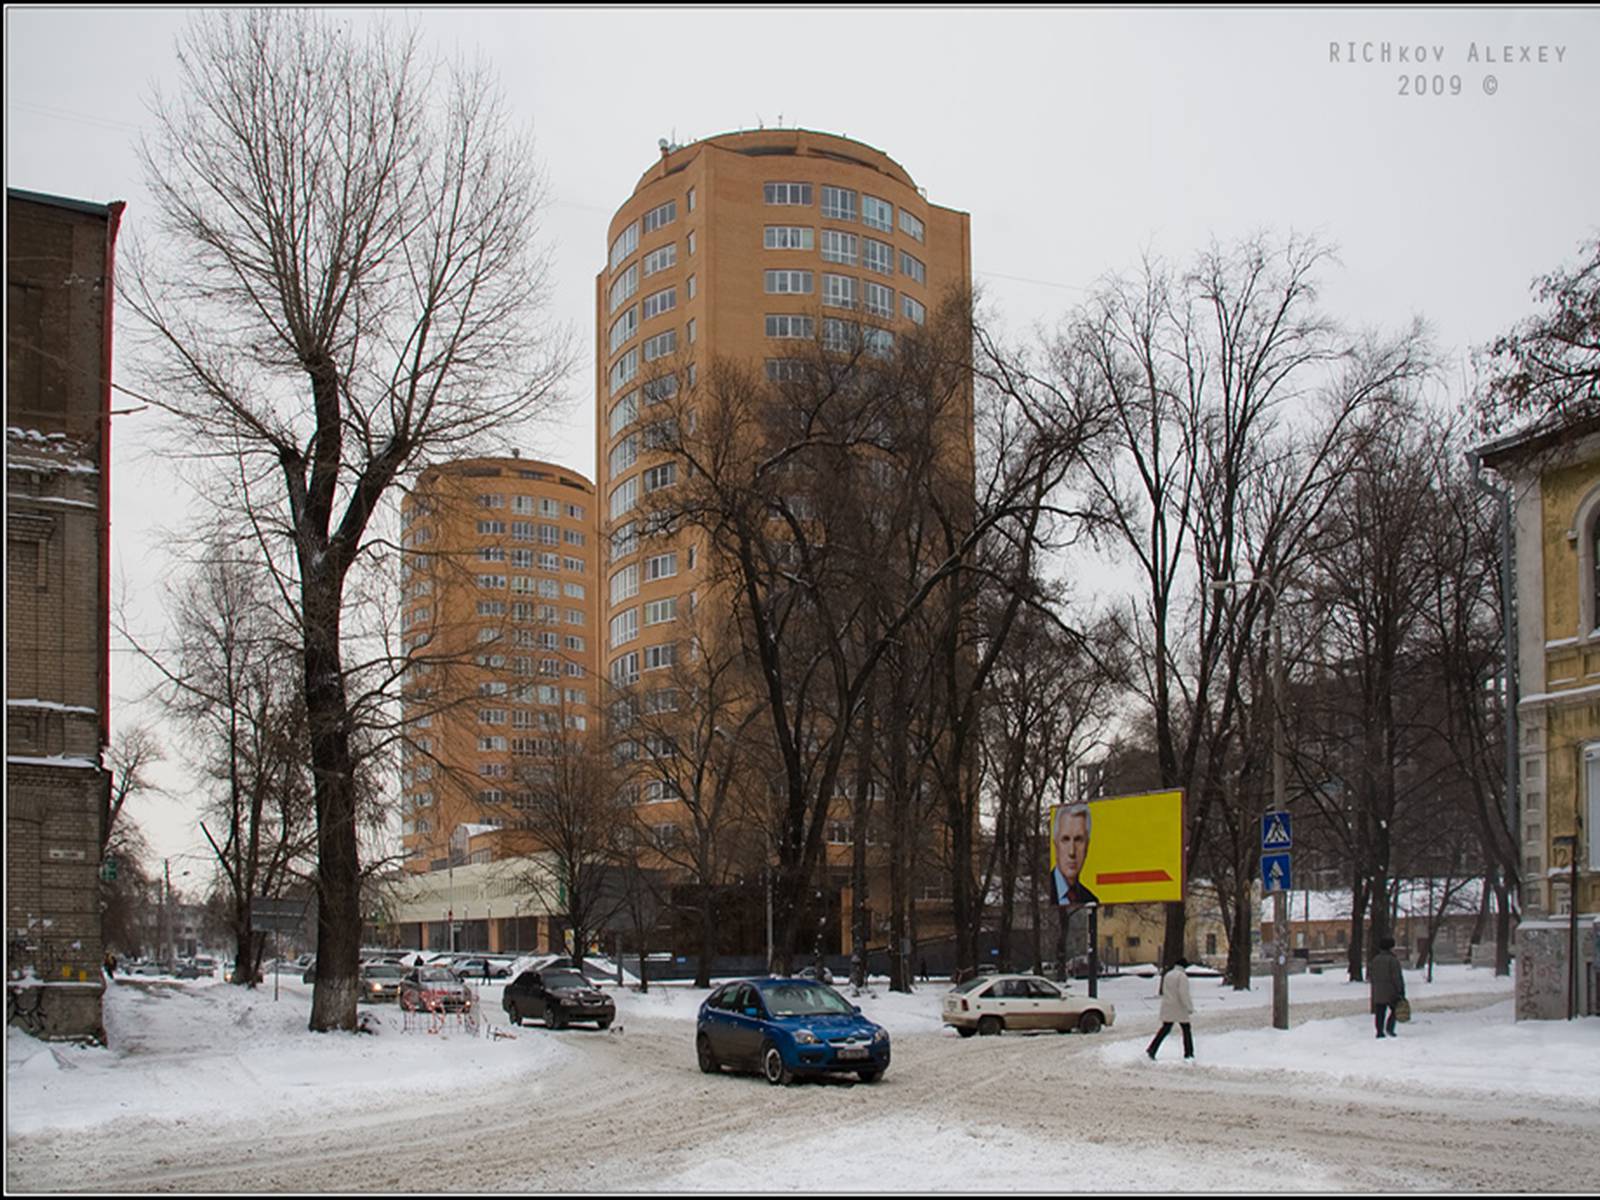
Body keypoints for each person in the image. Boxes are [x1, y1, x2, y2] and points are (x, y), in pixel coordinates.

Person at [1146, 956, 1195, 1061]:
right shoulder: (1182, 977)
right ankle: (1189, 1053)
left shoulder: (1168, 974)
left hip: (1168, 1005)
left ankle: (1152, 1049)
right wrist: (1189, 1007)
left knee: (1165, 1029)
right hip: (1179, 1007)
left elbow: (1165, 990)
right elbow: (1183, 993)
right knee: (1186, 1029)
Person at [1050, 803, 1098, 906]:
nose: (1072, 852)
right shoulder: (1044, 891)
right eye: (1065, 839)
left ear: (1087, 846)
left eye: (1078, 840)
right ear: (1055, 844)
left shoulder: (1091, 900)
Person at [1369, 935, 1406, 1038]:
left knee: (1380, 1012)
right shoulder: (1393, 960)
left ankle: (1379, 1031)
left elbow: (1371, 975)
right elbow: (1396, 977)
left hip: (1378, 990)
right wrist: (1400, 990)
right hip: (1391, 991)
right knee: (1395, 1009)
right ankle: (1389, 1028)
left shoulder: (1375, 959)